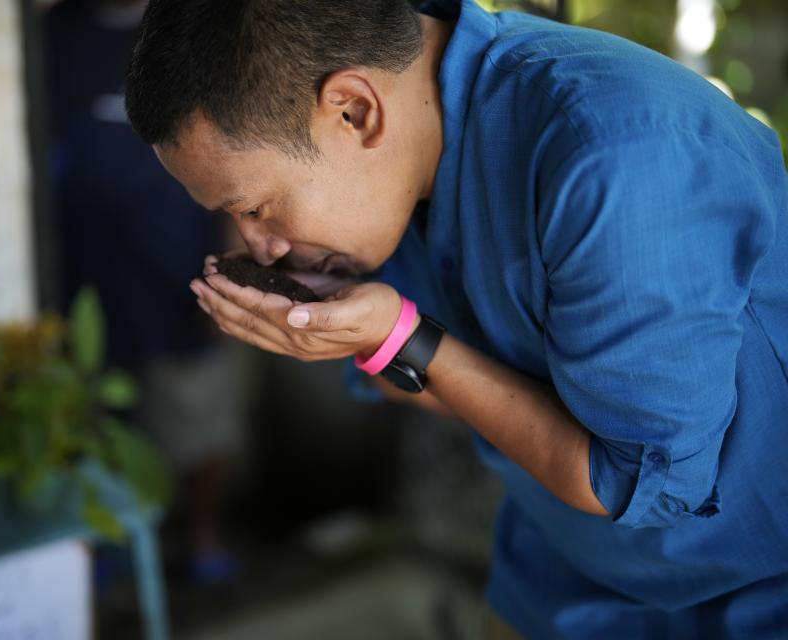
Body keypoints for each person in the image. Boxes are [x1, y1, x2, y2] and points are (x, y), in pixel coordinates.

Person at [123, 0, 788, 637]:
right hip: (557, 572)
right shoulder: (400, 162)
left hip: (748, 586)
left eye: (258, 207)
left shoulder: (611, 161)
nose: (257, 245)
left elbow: (627, 480)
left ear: (354, 110)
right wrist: (351, 325)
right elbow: (433, 387)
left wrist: (406, 341)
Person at [44, 0, 244, 584]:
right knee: (98, 418)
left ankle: (202, 536)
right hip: (84, 279)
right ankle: (116, 543)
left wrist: (230, 269)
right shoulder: (54, 31)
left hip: (182, 269)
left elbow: (241, 155)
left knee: (199, 417)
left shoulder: (196, 24)